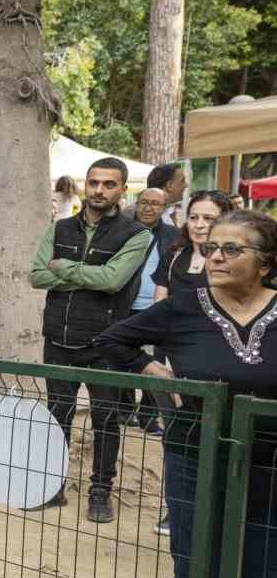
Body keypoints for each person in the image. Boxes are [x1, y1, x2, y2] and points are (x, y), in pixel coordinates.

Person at [98, 210, 277, 578]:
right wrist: (151, 368)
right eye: (213, 247)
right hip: (194, 459)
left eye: (231, 249)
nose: (215, 257)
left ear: (265, 263)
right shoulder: (184, 306)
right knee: (197, 574)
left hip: (269, 466)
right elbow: (113, 340)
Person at [29, 159, 152, 523]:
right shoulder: (60, 227)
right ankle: (53, 485)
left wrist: (63, 268)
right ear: (85, 185)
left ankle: (101, 491)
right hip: (59, 338)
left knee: (106, 419)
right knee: (58, 415)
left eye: (108, 184)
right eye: (94, 182)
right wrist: (88, 276)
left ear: (122, 189)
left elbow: (114, 280)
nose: (99, 190)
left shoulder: (136, 234)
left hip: (106, 342)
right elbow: (37, 275)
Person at [120, 185, 178, 437]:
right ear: (137, 202)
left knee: (157, 364)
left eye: (155, 203)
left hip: (159, 309)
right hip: (125, 305)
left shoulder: (174, 236)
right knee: (123, 359)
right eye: (145, 201)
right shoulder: (122, 230)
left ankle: (148, 416)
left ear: (163, 208)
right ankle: (123, 410)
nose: (149, 207)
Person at [154, 190, 234, 301]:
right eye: (193, 217)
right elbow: (159, 305)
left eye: (208, 218)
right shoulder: (173, 255)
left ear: (226, 222)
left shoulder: (234, 259)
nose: (198, 225)